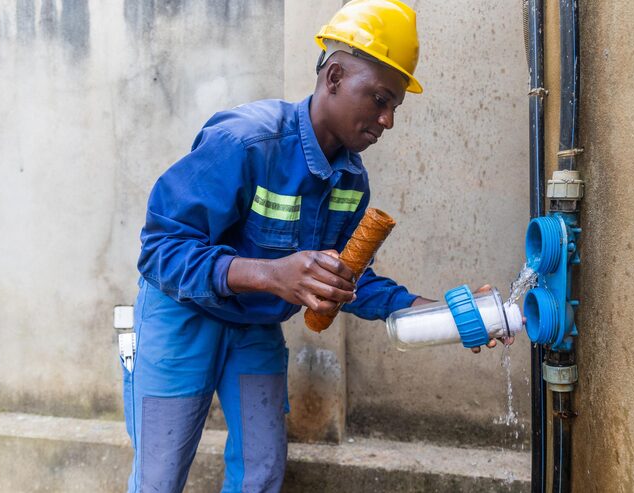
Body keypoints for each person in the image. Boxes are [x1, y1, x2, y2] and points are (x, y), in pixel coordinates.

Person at [122, 1, 505, 491]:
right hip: (181, 318)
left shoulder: (351, 179)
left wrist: (441, 316)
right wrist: (272, 275)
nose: (387, 120)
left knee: (260, 475)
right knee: (159, 478)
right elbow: (161, 250)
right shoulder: (247, 142)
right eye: (380, 99)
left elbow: (347, 279)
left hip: (254, 328)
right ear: (336, 76)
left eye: (394, 107)